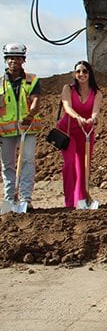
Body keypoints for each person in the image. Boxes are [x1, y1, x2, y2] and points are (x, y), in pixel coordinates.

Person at [0, 42, 43, 211]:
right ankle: (9, 199)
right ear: (6, 60)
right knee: (7, 165)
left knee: (27, 162)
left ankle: (25, 198)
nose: (13, 61)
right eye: (10, 58)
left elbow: (36, 100)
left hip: (28, 128)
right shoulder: (1, 83)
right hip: (5, 131)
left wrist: (30, 116)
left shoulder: (32, 80)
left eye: (17, 58)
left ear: (23, 60)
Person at [58, 61, 103, 208]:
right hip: (68, 130)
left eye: (85, 71)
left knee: (83, 166)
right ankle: (69, 201)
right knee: (69, 164)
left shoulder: (96, 93)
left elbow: (95, 110)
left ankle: (81, 199)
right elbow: (67, 107)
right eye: (78, 71)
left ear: (89, 74)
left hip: (86, 132)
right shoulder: (68, 89)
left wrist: (93, 118)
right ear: (74, 74)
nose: (81, 74)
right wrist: (78, 117)